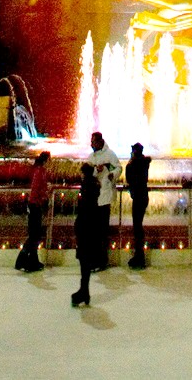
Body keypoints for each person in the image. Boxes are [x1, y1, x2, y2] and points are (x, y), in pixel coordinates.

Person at [85, 131, 121, 270]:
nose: (91, 144)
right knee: (93, 231)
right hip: (93, 198)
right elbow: (86, 173)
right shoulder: (91, 157)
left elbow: (118, 167)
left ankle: (101, 261)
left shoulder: (110, 154)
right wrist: (95, 170)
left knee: (101, 230)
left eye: (93, 142)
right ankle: (93, 259)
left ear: (100, 142)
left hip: (105, 197)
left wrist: (112, 174)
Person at [15, 150, 51, 272]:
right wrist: (43, 197)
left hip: (34, 204)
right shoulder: (40, 172)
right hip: (35, 205)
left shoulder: (39, 171)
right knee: (35, 235)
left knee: (35, 234)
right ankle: (22, 260)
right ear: (46, 160)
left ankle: (33, 261)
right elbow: (36, 189)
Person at [73, 163, 100, 307]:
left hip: (85, 227)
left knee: (84, 260)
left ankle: (84, 291)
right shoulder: (95, 185)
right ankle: (84, 290)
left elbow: (83, 209)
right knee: (86, 260)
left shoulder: (86, 187)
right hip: (92, 226)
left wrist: (77, 226)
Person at [126, 142, 151, 269]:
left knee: (137, 227)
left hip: (138, 197)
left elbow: (129, 178)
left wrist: (130, 162)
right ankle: (139, 255)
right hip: (143, 196)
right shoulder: (144, 163)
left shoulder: (134, 164)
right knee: (138, 226)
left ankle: (139, 257)